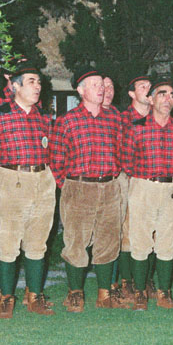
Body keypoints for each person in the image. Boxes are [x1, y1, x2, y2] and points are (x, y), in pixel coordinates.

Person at [0, 63, 56, 319]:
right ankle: (5, 297)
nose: (38, 86)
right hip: (11, 179)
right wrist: (4, 178)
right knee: (9, 241)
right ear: (16, 86)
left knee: (38, 241)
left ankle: (34, 296)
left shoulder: (44, 117)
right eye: (32, 81)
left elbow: (52, 151)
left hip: (42, 179)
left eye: (39, 82)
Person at [49, 68, 125, 312]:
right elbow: (56, 159)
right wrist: (70, 185)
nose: (101, 88)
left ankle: (105, 294)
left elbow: (122, 151)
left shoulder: (114, 117)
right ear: (80, 91)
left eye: (102, 84)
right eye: (94, 84)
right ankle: (75, 293)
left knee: (108, 240)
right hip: (78, 187)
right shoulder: (67, 121)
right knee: (76, 241)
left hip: (110, 186)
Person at [123, 78, 173, 310]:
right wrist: (145, 182)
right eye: (162, 93)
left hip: (171, 189)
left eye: (171, 94)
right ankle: (140, 291)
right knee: (140, 240)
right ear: (150, 99)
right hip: (143, 186)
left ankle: (164, 292)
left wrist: (171, 184)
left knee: (167, 241)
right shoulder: (136, 128)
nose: (167, 98)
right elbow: (127, 162)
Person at [114, 72, 151, 305]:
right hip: (130, 177)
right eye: (142, 86)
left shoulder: (160, 118)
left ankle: (146, 278)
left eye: (150, 86)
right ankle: (126, 280)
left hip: (153, 181)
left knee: (151, 228)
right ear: (131, 93)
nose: (148, 89)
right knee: (128, 228)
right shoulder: (123, 118)